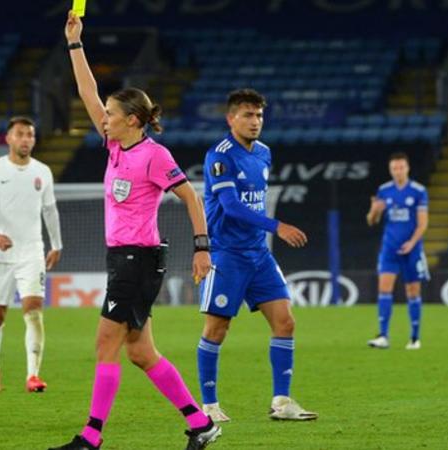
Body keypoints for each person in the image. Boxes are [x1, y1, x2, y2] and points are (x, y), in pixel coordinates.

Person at [49, 12, 220, 450]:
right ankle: (201, 423)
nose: (103, 118)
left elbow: (192, 198)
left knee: (105, 343)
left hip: (138, 259)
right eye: (105, 113)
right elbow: (87, 92)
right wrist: (75, 44)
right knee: (141, 353)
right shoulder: (113, 145)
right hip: (123, 258)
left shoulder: (154, 155)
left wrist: (202, 249)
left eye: (111, 114)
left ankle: (91, 437)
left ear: (134, 120)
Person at [196, 89, 318, 423]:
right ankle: (208, 406)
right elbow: (231, 207)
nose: (255, 122)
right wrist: (276, 225)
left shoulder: (263, 153)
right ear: (231, 119)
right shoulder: (220, 156)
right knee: (217, 329)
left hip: (258, 254)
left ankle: (281, 402)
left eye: (259, 115)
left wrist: (267, 231)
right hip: (227, 254)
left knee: (285, 322)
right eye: (248, 115)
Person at [0, 116, 63, 393]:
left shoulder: (43, 172)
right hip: (0, 253)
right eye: (20, 134)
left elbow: (50, 210)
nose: (26, 139)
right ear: (9, 138)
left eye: (30, 135)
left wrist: (56, 244)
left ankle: (33, 375)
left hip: (32, 252)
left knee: (33, 311)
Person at [365, 152, 429, 350]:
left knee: (413, 291)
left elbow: (423, 224)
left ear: (407, 168)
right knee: (384, 289)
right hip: (390, 248)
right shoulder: (384, 190)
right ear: (390, 170)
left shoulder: (418, 191)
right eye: (394, 168)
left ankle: (414, 338)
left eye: (401, 167)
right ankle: (383, 336)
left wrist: (412, 243)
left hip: (412, 249)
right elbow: (371, 221)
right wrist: (375, 210)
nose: (398, 171)